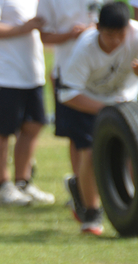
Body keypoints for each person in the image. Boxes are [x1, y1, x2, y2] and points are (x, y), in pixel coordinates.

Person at [59, 1, 138, 235]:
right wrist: (107, 111)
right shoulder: (85, 47)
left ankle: (130, 205)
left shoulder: (136, 35)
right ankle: (92, 214)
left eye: (120, 35)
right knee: (91, 153)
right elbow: (67, 93)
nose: (114, 41)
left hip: (124, 100)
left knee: (132, 152)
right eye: (109, 35)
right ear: (97, 28)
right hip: (86, 101)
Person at [0, 0, 55, 206]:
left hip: (31, 73)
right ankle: (3, 186)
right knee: (2, 131)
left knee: (34, 125)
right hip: (3, 74)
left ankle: (23, 182)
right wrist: (23, 28)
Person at [37, 0, 108, 209]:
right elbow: (44, 35)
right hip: (69, 75)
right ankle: (81, 189)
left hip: (106, 75)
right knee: (80, 139)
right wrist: (71, 34)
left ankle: (103, 191)